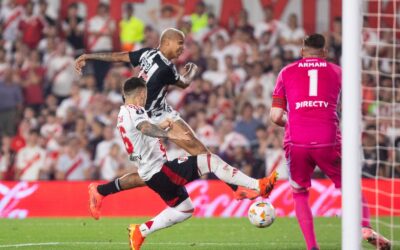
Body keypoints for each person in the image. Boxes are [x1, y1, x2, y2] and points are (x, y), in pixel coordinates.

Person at [76, 28, 263, 218]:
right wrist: (192, 72)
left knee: (199, 151)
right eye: (180, 43)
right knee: (149, 175)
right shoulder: (166, 69)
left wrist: (89, 56)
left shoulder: (147, 53)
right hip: (143, 120)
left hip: (162, 113)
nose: (183, 48)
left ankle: (236, 187)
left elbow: (119, 56)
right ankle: (101, 191)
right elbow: (183, 83)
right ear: (166, 43)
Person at [93, 77, 277, 250]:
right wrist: (169, 134)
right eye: (145, 96)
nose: (145, 99)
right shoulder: (135, 110)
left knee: (185, 209)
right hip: (160, 171)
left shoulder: (122, 114)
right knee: (210, 160)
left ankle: (140, 231)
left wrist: (162, 126)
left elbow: (140, 131)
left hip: (153, 175)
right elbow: (145, 128)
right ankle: (258, 185)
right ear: (141, 94)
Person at [270, 34, 391, 250]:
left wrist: (296, 120)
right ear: (324, 53)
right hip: (328, 138)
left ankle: (312, 247)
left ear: (302, 51)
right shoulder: (337, 71)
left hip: (296, 141)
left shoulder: (286, 72)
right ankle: (364, 226)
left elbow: (276, 116)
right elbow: (355, 105)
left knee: (299, 193)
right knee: (351, 186)